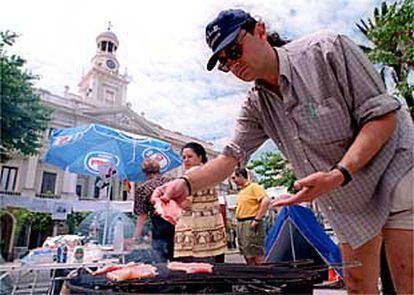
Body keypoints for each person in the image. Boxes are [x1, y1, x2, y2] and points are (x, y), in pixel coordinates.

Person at [152, 8, 414, 294]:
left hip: (392, 167)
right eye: (225, 62)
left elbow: (382, 116)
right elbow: (230, 158)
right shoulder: (256, 106)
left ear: (260, 31)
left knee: (406, 277)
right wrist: (185, 183)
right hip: (348, 195)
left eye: (235, 50)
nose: (233, 64)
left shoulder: (326, 50)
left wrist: (339, 173)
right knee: (357, 283)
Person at [173, 142, 227, 263]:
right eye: (184, 157)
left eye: (190, 156)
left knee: (195, 271)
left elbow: (185, 204)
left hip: (195, 232)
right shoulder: (210, 173)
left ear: (200, 157)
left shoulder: (190, 174)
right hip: (211, 230)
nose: (186, 160)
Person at [130, 159, 174, 262]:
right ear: (159, 170)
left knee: (161, 260)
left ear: (144, 172)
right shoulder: (172, 182)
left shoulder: (143, 188)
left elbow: (142, 216)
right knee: (177, 261)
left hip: (160, 226)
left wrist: (135, 237)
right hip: (177, 223)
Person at [232, 167, 269, 265]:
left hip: (251, 221)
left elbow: (265, 201)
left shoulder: (254, 187)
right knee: (246, 251)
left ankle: (264, 276)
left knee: (255, 251)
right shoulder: (242, 191)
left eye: (234, 178)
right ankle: (253, 275)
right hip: (241, 223)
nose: (233, 181)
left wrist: (257, 219)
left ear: (240, 176)